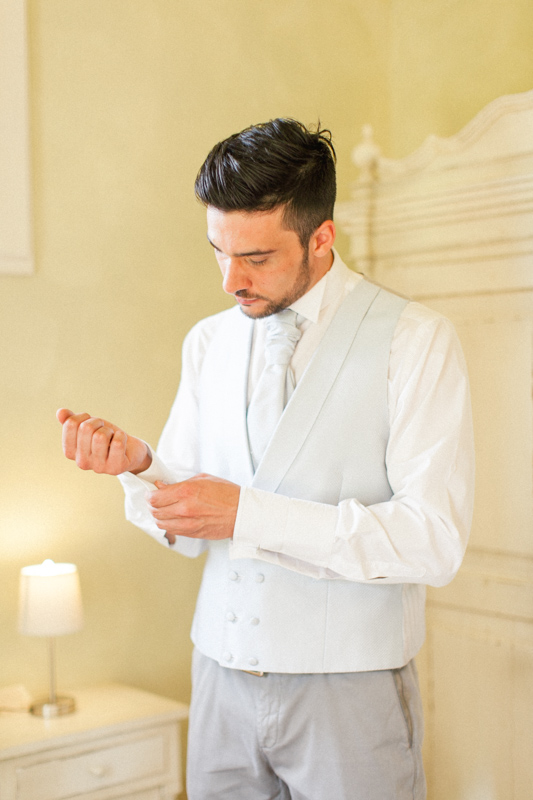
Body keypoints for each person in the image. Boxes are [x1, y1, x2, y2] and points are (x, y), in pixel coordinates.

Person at [57, 118, 475, 800]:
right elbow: (196, 524)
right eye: (218, 252)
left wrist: (248, 515)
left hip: (350, 688)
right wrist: (140, 466)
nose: (231, 280)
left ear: (321, 238)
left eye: (255, 257)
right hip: (219, 680)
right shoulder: (208, 341)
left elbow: (434, 541)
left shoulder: (415, 340)